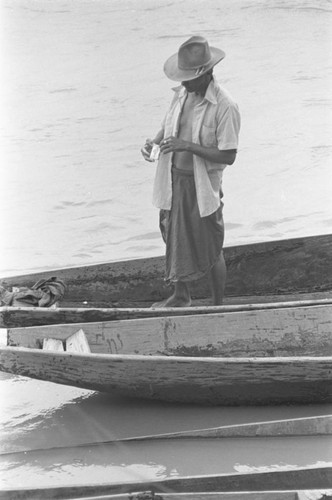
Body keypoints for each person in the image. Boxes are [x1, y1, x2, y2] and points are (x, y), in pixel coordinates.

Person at [141, 36, 240, 307]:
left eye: (188, 77)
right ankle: (181, 295)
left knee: (210, 244)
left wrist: (188, 146)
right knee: (173, 236)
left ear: (205, 73)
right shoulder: (182, 94)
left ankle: (218, 304)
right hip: (174, 179)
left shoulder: (225, 105)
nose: (183, 82)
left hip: (202, 185)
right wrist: (154, 143)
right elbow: (168, 128)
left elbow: (229, 155)